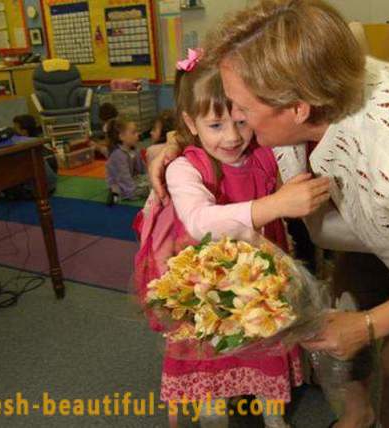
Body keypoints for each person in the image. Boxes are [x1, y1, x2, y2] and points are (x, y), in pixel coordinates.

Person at [148, 1, 389, 427]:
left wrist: (365, 326)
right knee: (342, 299)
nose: (236, 122)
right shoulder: (307, 86)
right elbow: (214, 126)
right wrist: (175, 145)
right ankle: (357, 414)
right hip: (375, 217)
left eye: (244, 111)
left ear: (297, 109)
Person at [134, 51, 332, 428]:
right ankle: (214, 408)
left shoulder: (263, 152)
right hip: (211, 284)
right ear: (191, 122)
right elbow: (197, 220)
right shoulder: (183, 167)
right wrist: (274, 203)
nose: (233, 137)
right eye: (215, 125)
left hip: (262, 280)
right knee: (213, 348)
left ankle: (272, 410)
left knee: (267, 337)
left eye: (242, 121)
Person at [105, 114, 149, 205]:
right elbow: (123, 177)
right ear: (121, 137)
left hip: (132, 178)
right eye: (133, 133)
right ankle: (114, 195)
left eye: (137, 132)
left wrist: (149, 177)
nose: (137, 135)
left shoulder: (134, 149)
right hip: (120, 183)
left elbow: (142, 169)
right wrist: (132, 192)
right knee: (118, 188)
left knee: (151, 183)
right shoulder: (118, 155)